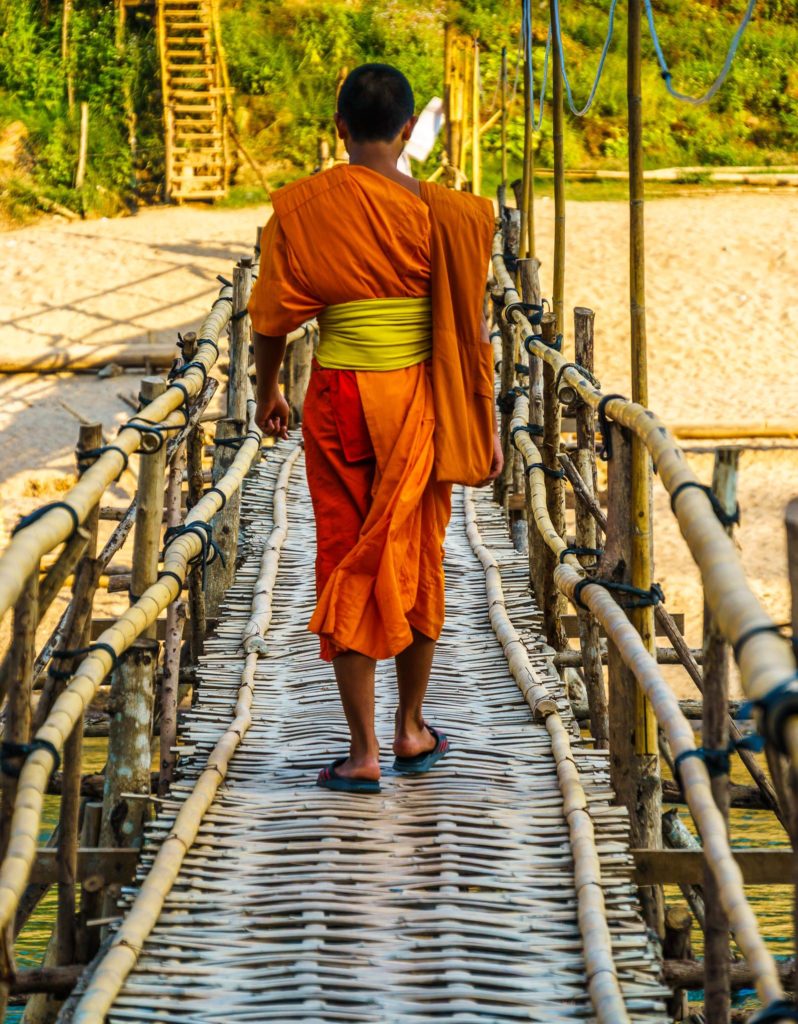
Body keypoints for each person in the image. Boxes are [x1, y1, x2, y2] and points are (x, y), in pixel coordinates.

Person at [248, 63, 502, 794]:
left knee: (346, 551)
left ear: (339, 128)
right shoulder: (452, 215)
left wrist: (269, 391)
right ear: (410, 129)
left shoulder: (302, 208)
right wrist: (479, 416)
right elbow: (472, 325)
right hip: (422, 397)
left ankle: (360, 750)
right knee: (419, 551)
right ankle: (411, 728)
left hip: (339, 400)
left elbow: (271, 321)